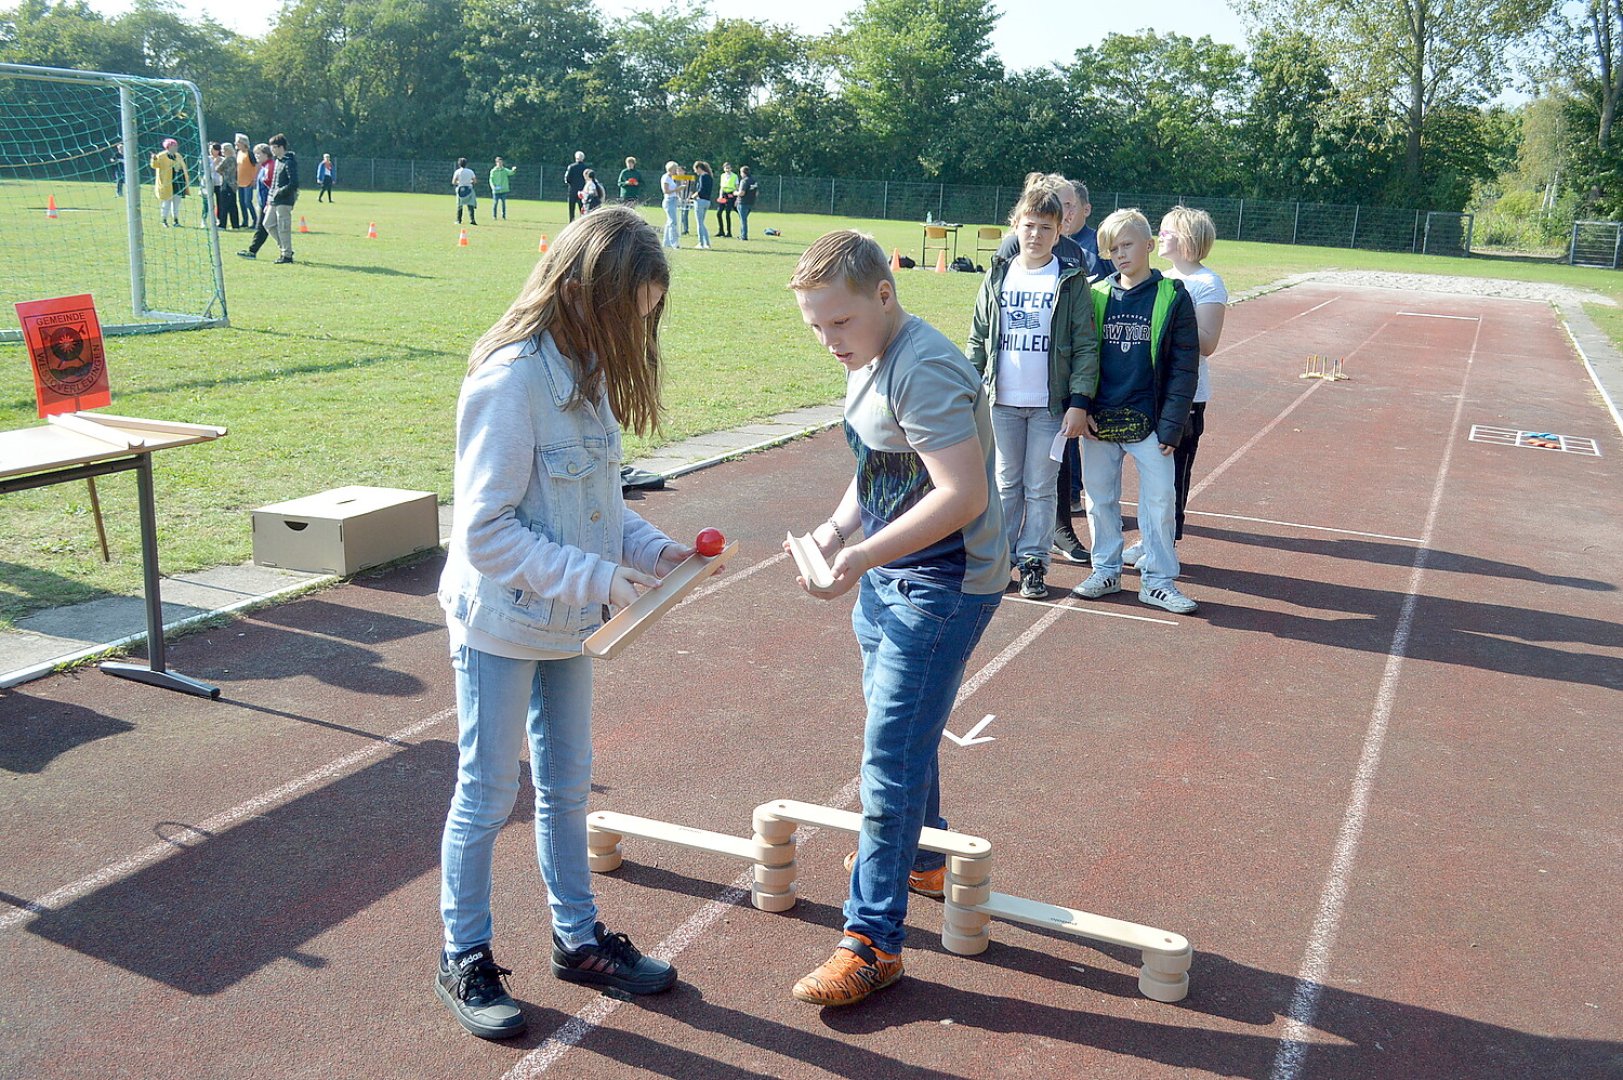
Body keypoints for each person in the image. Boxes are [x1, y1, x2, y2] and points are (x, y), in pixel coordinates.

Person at [434, 205, 683, 1040]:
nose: (634, 334)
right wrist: (599, 576)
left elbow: (599, 507)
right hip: (500, 622)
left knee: (568, 785)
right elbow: (484, 530)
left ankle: (577, 941)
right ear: (582, 293)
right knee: (487, 793)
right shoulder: (508, 381)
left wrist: (655, 553)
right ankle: (462, 954)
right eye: (627, 314)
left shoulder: (589, 370)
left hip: (568, 623)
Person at [784, 230, 1006, 1008]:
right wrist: (833, 533)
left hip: (944, 583)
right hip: (892, 573)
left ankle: (873, 941)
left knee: (887, 758)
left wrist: (861, 557)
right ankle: (921, 859)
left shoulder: (927, 366)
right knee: (899, 725)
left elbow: (961, 496)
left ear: (885, 294)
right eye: (814, 327)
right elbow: (877, 466)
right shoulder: (868, 359)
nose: (826, 341)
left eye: (837, 323)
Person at [966, 184, 1098, 600]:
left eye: (1046, 227)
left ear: (1059, 232)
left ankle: (1034, 564)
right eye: (1029, 226)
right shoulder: (998, 275)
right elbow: (978, 337)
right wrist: (970, 388)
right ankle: (1000, 560)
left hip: (1049, 406)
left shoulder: (1070, 280)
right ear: (1015, 226)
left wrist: (1079, 402)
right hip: (1001, 402)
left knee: (1041, 487)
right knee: (1005, 484)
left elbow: (1085, 345)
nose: (1036, 235)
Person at [1072, 209, 1199, 614]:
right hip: (1099, 420)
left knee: (1160, 501)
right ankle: (1106, 570)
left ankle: (1158, 581)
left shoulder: (1173, 296)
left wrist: (1172, 424)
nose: (1119, 254)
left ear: (1148, 246)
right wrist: (1082, 406)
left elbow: (1184, 365)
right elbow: (1080, 357)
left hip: (1151, 422)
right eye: (1112, 248)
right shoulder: (1095, 295)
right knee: (1099, 499)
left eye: (1127, 244)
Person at [1120, 207, 1228, 567]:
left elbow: (1208, 342)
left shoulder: (1207, 283)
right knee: (1150, 475)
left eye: (1168, 231)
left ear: (1189, 239)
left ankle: (1164, 543)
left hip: (1186, 397)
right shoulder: (1156, 278)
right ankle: (1148, 538)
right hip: (1149, 390)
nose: (1160, 237)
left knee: (1174, 475)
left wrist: (1169, 321)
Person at [240, 134, 298, 263]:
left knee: (283, 227)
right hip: (273, 200)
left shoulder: (289, 162)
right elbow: (273, 183)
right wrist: (269, 200)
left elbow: (294, 183)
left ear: (281, 147)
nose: (272, 150)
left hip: (284, 200)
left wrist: (279, 192)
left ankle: (286, 255)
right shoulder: (278, 161)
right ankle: (285, 248)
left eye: (274, 147)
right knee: (268, 224)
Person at [150, 137, 188, 228]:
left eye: (176, 145)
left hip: (178, 182)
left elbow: (183, 167)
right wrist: (154, 159)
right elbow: (155, 165)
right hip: (167, 183)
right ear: (168, 147)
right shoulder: (161, 156)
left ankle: (176, 220)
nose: (175, 147)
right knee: (166, 202)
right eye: (173, 146)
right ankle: (164, 220)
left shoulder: (178, 156)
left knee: (176, 203)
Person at [216, 141, 240, 230]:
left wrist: (222, 171)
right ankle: (235, 225)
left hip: (227, 184)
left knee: (224, 205)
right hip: (233, 185)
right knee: (233, 205)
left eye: (223, 150)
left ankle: (223, 224)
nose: (222, 152)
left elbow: (218, 169)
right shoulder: (235, 159)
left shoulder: (228, 159)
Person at [234, 134, 257, 228]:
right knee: (241, 202)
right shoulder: (239, 153)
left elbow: (256, 166)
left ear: (244, 143)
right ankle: (245, 221)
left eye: (238, 142)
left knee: (248, 202)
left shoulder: (250, 153)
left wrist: (254, 179)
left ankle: (255, 220)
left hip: (249, 182)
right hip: (240, 182)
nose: (236, 144)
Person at [691, 161, 714, 249]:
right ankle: (707, 243)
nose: (695, 172)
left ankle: (701, 243)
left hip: (700, 201)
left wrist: (694, 196)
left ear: (699, 168)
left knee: (699, 223)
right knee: (702, 223)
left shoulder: (703, 177)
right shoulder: (710, 176)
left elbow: (701, 190)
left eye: (695, 170)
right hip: (707, 201)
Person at [659, 161, 682, 249]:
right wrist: (677, 189)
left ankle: (666, 242)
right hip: (669, 201)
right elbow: (666, 191)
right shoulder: (666, 178)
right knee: (673, 222)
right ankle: (674, 243)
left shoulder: (671, 178)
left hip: (673, 200)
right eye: (675, 169)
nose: (676, 171)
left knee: (669, 222)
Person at [453, 157, 479, 225]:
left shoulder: (457, 171)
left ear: (459, 164)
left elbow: (454, 182)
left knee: (459, 205)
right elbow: (475, 181)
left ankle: (458, 220)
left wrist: (459, 182)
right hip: (469, 189)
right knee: (470, 205)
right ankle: (472, 220)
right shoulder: (470, 171)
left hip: (460, 189)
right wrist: (470, 182)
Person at [735, 165, 759, 240]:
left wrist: (735, 193)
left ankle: (744, 236)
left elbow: (742, 193)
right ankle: (742, 234)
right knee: (743, 219)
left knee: (743, 220)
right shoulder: (753, 181)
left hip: (743, 203)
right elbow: (757, 192)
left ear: (743, 173)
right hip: (751, 202)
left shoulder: (744, 181)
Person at [564, 150, 588, 222]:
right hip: (582, 190)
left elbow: (567, 179)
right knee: (582, 208)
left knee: (571, 209)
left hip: (572, 190)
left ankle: (571, 222)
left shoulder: (571, 167)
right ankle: (582, 222)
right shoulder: (586, 168)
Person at [716, 162, 737, 238]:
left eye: (728, 168)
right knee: (719, 213)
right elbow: (721, 187)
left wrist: (736, 197)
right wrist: (720, 196)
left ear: (731, 168)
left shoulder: (734, 176)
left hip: (731, 194)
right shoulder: (722, 176)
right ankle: (721, 231)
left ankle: (729, 232)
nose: (727, 169)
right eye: (726, 168)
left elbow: (736, 187)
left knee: (727, 213)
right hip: (724, 194)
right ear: (724, 168)